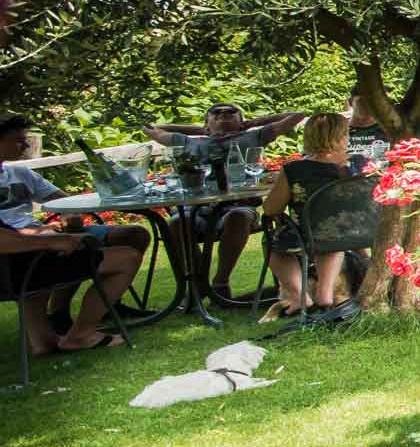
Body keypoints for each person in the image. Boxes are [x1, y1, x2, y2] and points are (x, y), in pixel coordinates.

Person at [0, 113, 142, 356]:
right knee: (126, 257)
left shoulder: (20, 173)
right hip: (20, 263)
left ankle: (46, 337)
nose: (25, 145)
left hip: (24, 258)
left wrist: (66, 221)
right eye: (18, 140)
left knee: (131, 235)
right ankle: (80, 335)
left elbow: (64, 201)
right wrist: (55, 240)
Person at [146, 101, 299, 297]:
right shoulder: (189, 142)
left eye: (231, 112)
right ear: (206, 123)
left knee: (239, 217)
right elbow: (149, 127)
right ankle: (199, 284)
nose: (223, 114)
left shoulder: (252, 137)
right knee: (177, 222)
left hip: (237, 205)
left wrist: (252, 123)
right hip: (197, 208)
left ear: (241, 122)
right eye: (216, 113)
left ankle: (220, 283)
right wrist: (201, 131)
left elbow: (297, 115)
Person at [258, 112, 361, 323]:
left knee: (271, 242)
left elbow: (270, 209)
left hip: (309, 234)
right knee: (332, 237)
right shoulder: (359, 163)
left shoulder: (295, 169)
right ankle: (325, 293)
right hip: (357, 231)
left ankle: (300, 297)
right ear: (343, 136)